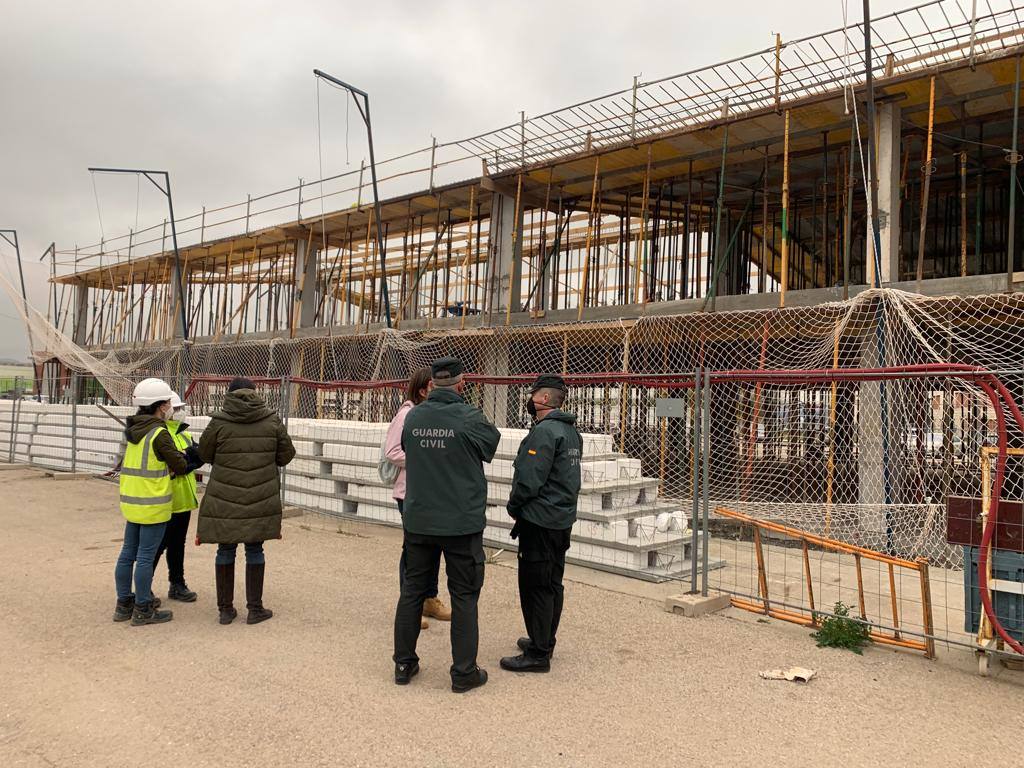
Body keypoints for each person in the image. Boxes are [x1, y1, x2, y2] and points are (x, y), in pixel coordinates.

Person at [392, 357, 500, 693]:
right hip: (460, 522)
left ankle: (403, 663)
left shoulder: (413, 417)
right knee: (464, 595)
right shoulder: (469, 417)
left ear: (433, 384)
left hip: (420, 518)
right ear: (461, 384)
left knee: (411, 591)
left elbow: (408, 451)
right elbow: (490, 446)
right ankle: (463, 672)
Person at [197, 377, 296, 625]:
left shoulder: (218, 422)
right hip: (260, 497)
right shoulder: (271, 420)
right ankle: (255, 609)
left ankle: (225, 610)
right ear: (255, 393)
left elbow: (204, 454)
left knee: (225, 549)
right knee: (255, 550)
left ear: (229, 394)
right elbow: (287, 455)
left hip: (225, 498)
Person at [501, 374, 582, 673]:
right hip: (561, 520)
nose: (530, 398)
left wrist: (514, 505)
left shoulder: (545, 432)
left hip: (540, 520)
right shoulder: (571, 432)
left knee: (535, 585)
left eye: (534, 393)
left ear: (544, 399)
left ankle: (538, 653)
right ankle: (544, 639)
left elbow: (529, 479)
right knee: (552, 583)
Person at [113, 377, 190, 626]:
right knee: (145, 557)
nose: (170, 407)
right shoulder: (159, 433)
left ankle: (124, 603)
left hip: (131, 501)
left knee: (127, 555)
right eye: (168, 403)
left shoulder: (132, 430)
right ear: (160, 406)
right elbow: (179, 464)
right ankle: (143, 607)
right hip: (153, 503)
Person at [384, 367, 452, 630]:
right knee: (412, 550)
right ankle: (410, 604)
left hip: (429, 491)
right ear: (423, 389)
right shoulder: (407, 413)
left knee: (433, 546)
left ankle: (429, 598)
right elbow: (393, 451)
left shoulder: (429, 414)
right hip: (409, 492)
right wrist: (425, 459)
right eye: (434, 387)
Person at [151, 392, 203, 602]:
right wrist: (187, 462)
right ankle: (145, 587)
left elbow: (197, 458)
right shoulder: (163, 435)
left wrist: (187, 462)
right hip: (167, 499)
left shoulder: (183, 434)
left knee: (177, 544)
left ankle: (177, 583)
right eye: (177, 408)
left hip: (183, 500)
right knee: (157, 546)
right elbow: (177, 466)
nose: (181, 412)